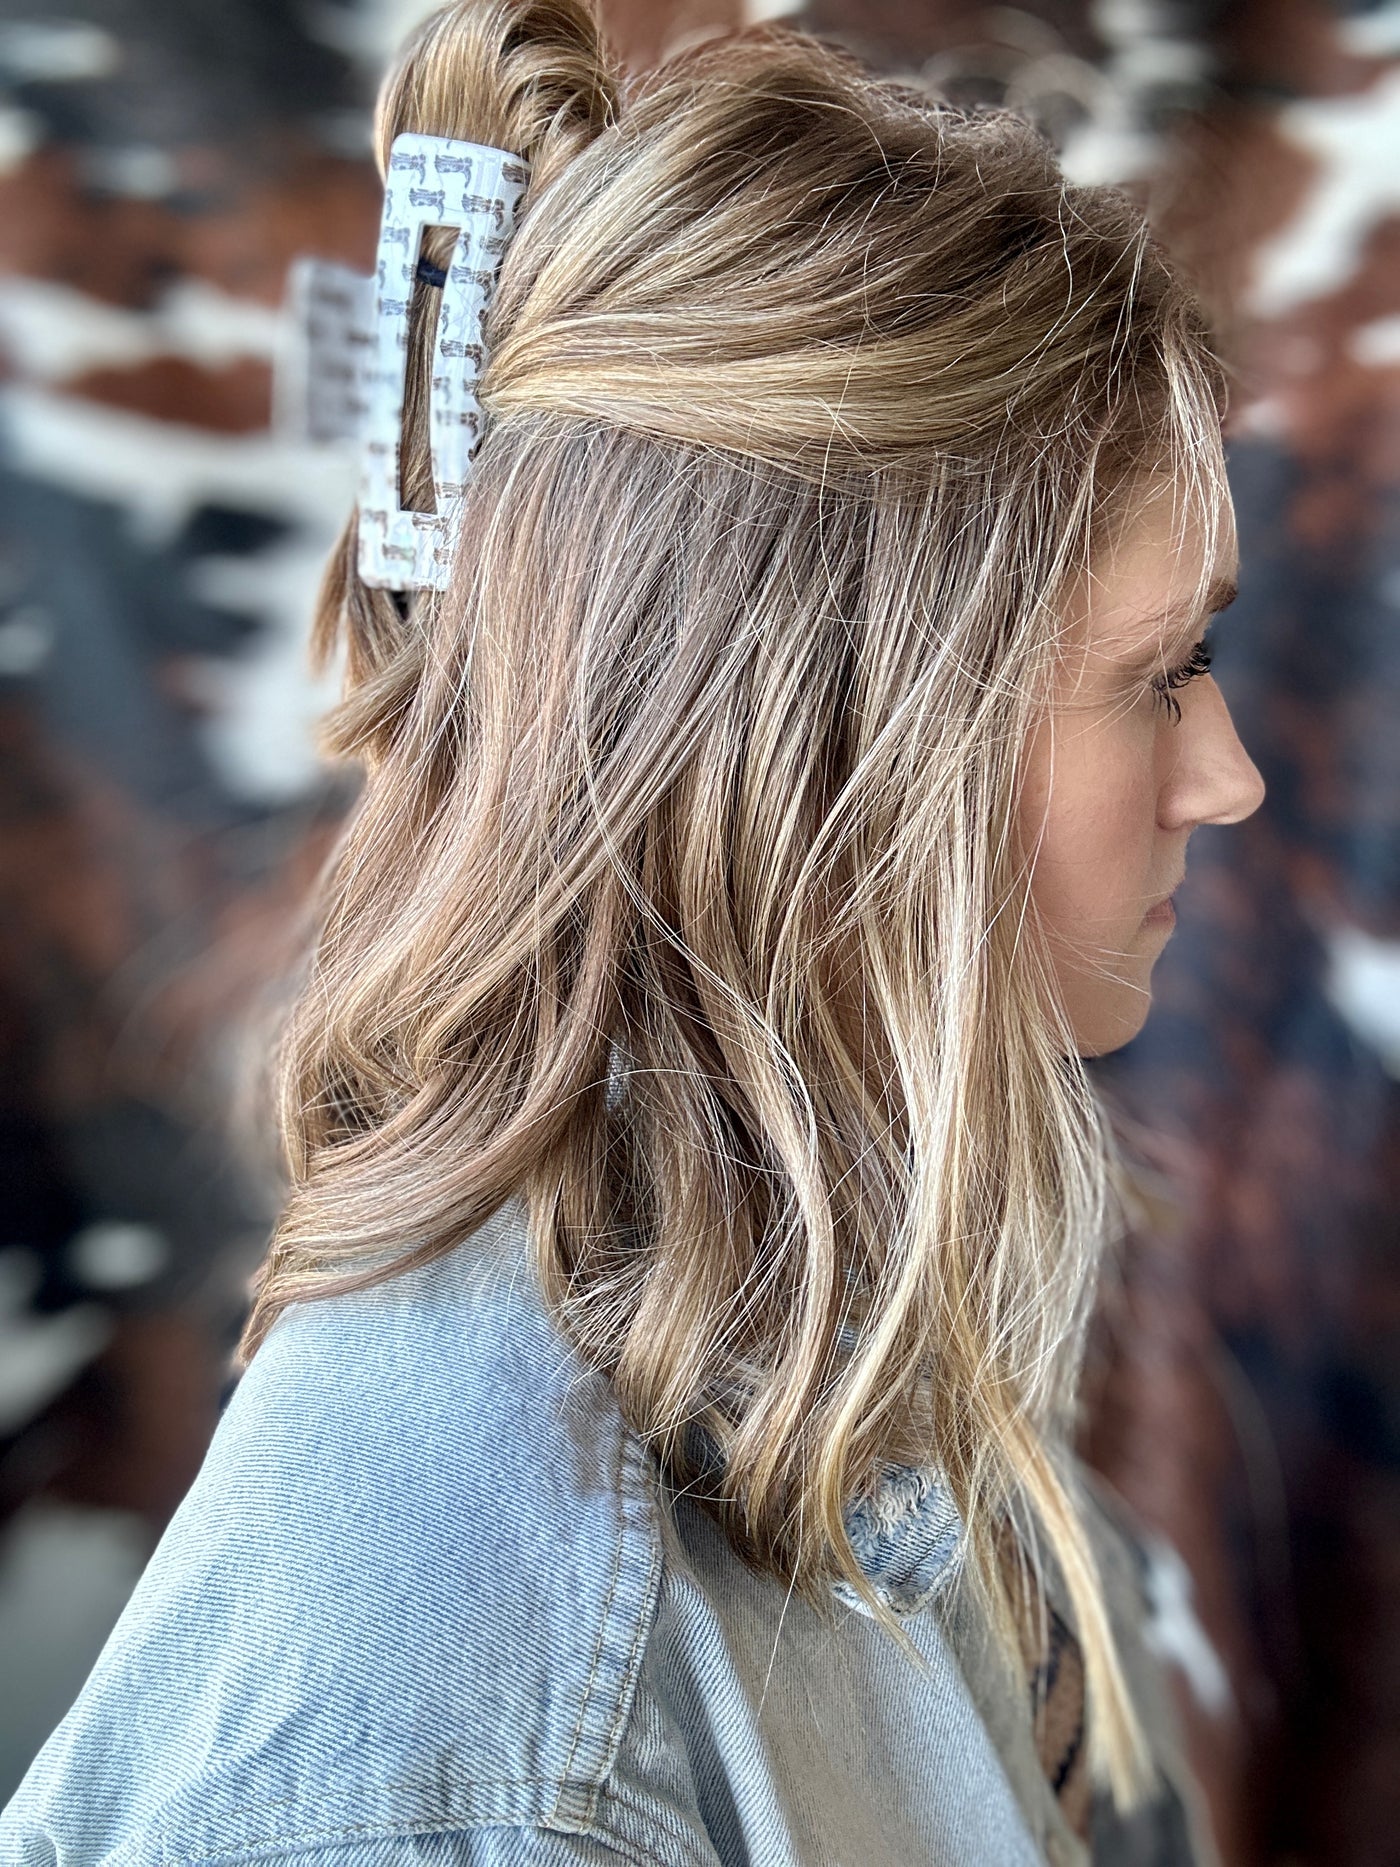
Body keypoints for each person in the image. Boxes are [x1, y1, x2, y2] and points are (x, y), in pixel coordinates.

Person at [0, 2, 1265, 1862]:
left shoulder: (810, 1361)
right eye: (1164, 676)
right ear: (826, 754)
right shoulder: (477, 1774)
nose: (1227, 777)